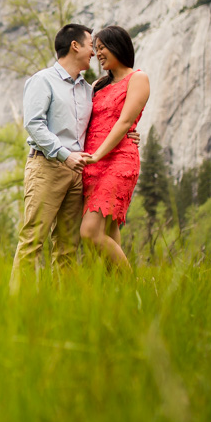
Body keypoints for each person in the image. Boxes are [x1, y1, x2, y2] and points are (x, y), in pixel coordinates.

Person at [10, 23, 138, 295]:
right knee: (34, 238)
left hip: (79, 172)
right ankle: (18, 302)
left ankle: (63, 305)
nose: (95, 51)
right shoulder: (42, 80)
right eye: (92, 44)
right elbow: (33, 124)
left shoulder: (87, 89)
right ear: (75, 45)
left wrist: (131, 137)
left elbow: (107, 120)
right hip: (47, 166)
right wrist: (64, 155)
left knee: (67, 246)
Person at [80, 25, 150, 272]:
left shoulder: (138, 78)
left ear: (118, 46)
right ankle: (118, 292)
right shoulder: (99, 84)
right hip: (92, 163)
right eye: (96, 49)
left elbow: (124, 122)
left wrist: (99, 154)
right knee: (108, 230)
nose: (97, 54)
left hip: (118, 160)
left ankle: (131, 286)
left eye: (102, 48)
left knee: (89, 232)